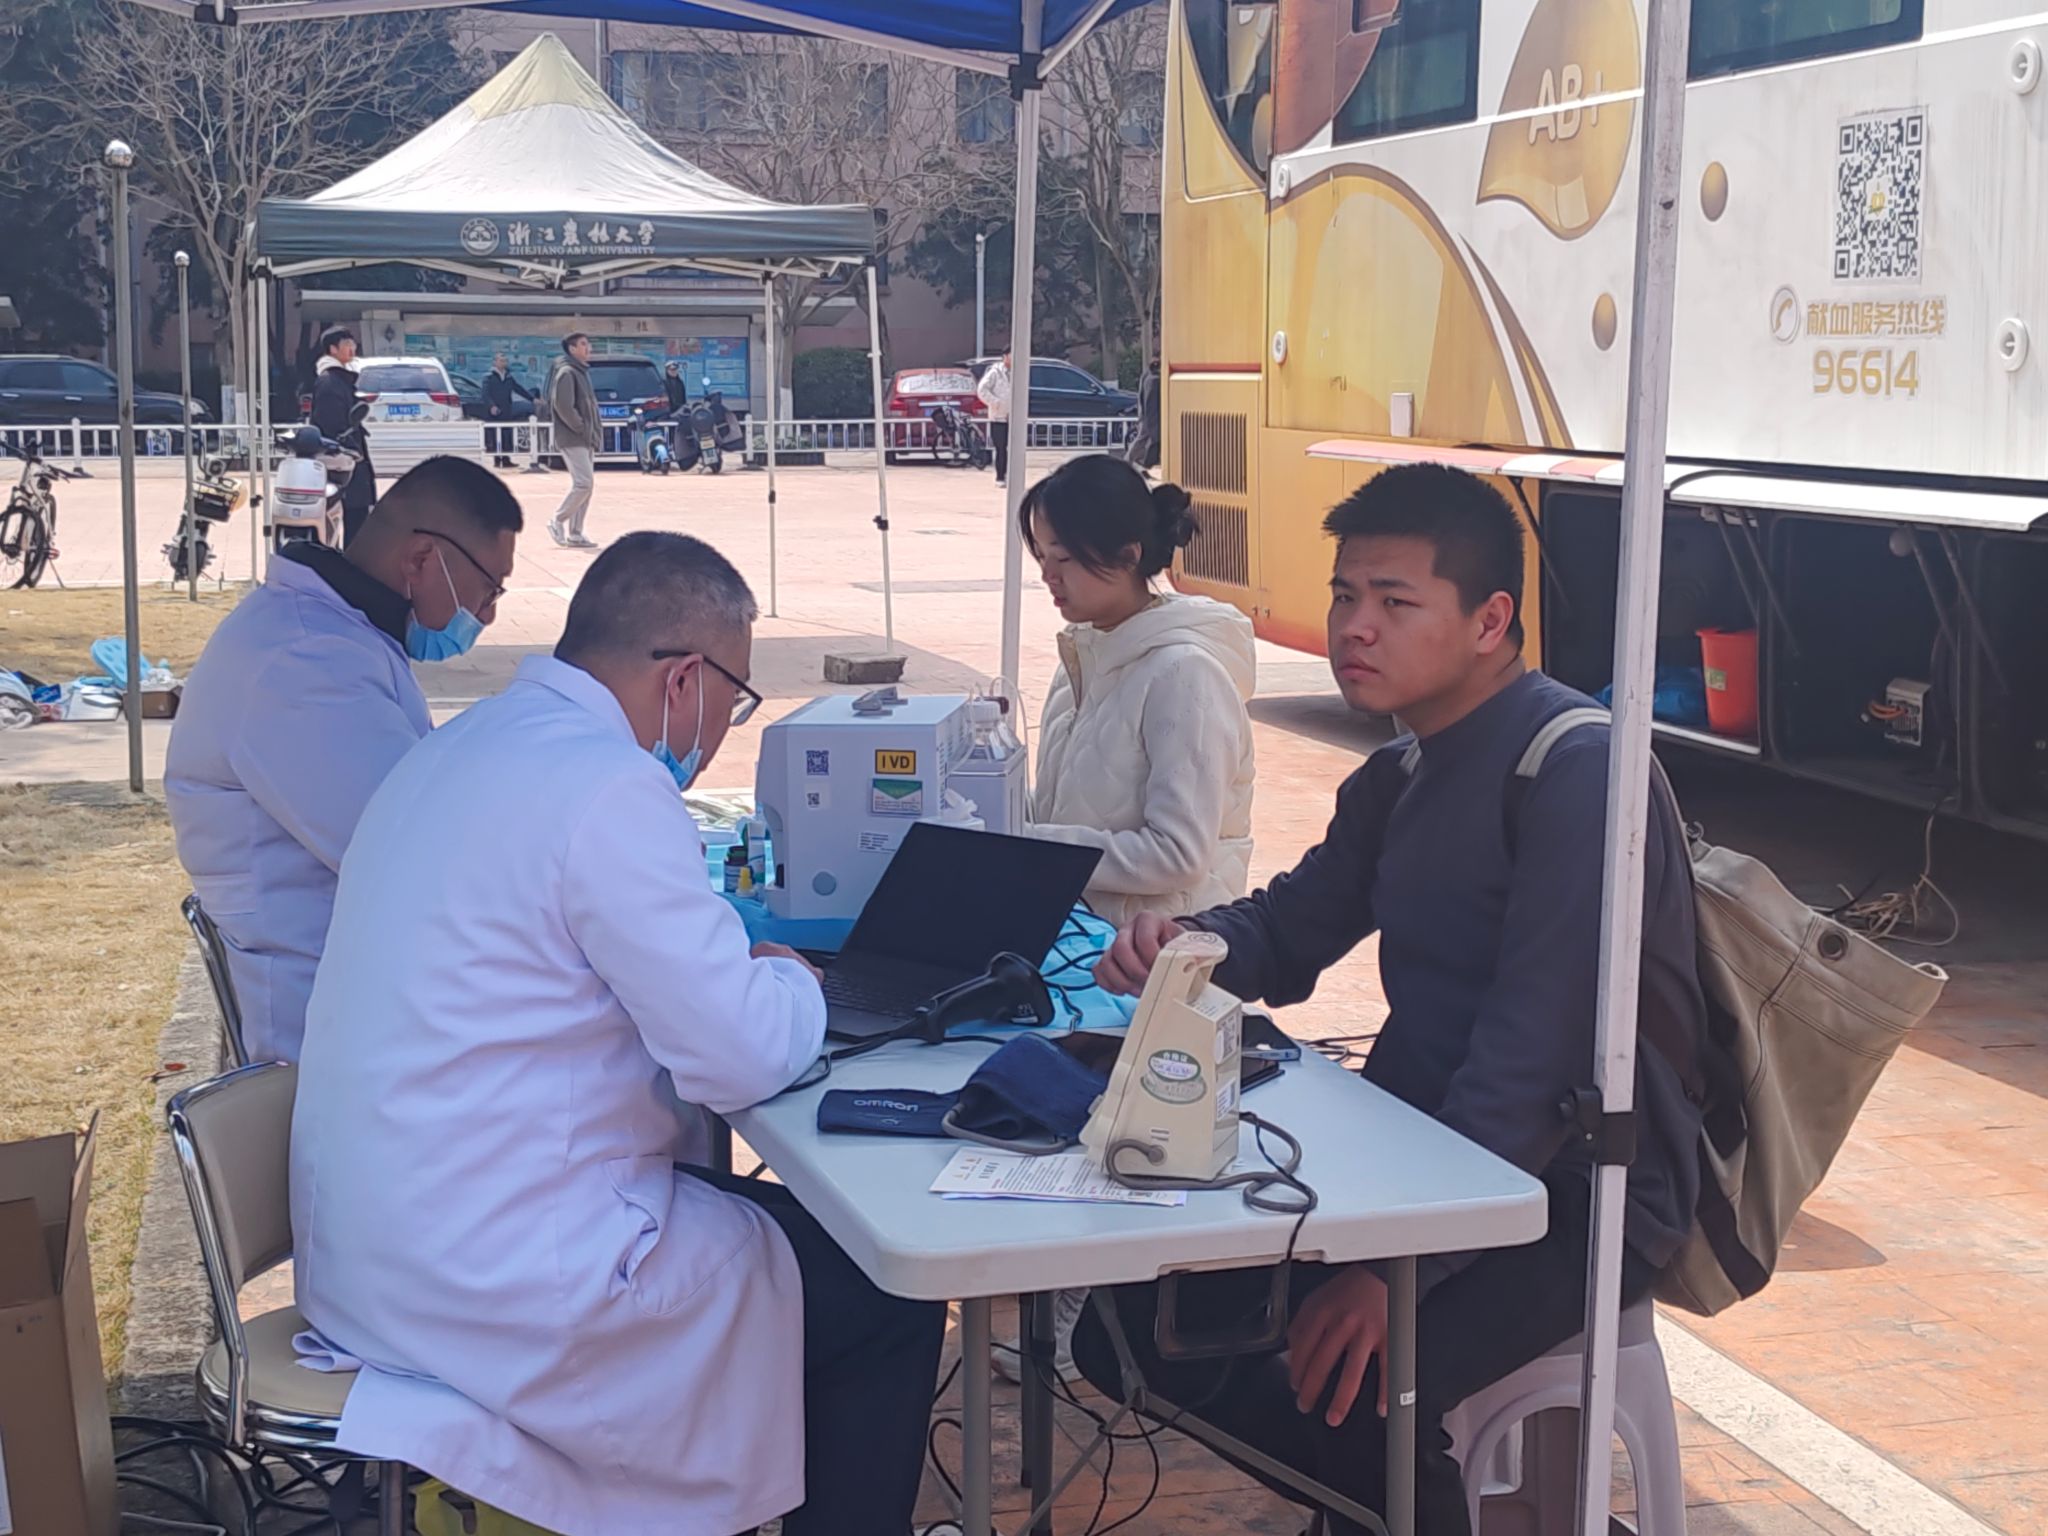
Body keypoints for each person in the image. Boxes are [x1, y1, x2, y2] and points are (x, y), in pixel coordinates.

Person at [1075, 464, 1706, 1536]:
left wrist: (1393, 1271)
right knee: (1126, 1325)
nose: (1353, 628)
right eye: (1344, 595)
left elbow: (1531, 1061)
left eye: (1394, 601)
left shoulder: (1576, 773)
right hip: (1418, 1157)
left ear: (1489, 621)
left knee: (1355, 1387)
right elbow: (1293, 923)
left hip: (1575, 1190)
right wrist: (1189, 945)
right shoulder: (1404, 771)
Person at [290, 532, 946, 1536]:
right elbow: (736, 1055)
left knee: (802, 1241)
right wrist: (792, 981)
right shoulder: (608, 786)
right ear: (685, 680)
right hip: (504, 1277)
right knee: (889, 1291)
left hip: (383, 1248)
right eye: (733, 702)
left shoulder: (461, 746)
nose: (718, 734)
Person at [1008, 452, 1258, 1381]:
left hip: (1158, 962)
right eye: (1040, 561)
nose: (1051, 580)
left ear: (1126, 554)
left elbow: (1179, 852)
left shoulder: (1186, 673)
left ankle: (1087, 1327)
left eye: (1065, 560)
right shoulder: (1081, 664)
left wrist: (1033, 848)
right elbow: (1063, 810)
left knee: (1121, 1148)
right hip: (1085, 953)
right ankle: (1067, 1311)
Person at [165, 457, 522, 1063]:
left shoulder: (336, 636)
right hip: (331, 1035)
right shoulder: (304, 662)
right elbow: (419, 857)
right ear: (421, 559)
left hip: (371, 998)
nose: (486, 614)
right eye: (489, 588)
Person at [308, 326, 376, 546]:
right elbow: (331, 423)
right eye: (346, 344)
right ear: (333, 349)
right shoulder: (329, 381)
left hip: (347, 460)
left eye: (353, 343)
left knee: (355, 517)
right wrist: (349, 448)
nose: (352, 348)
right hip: (341, 463)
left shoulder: (341, 378)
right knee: (350, 518)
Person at [547, 332, 600, 549]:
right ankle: (557, 520)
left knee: (587, 485)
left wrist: (591, 432)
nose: (589, 348)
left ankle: (576, 533)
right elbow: (563, 406)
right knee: (583, 482)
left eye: (588, 344)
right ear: (572, 349)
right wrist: (581, 427)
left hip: (585, 437)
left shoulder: (581, 372)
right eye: (584, 344)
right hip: (572, 437)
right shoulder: (567, 373)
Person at [481, 351, 534, 467]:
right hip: (494, 412)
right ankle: (497, 460)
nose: (503, 363)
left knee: (506, 434)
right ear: (495, 362)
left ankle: (506, 459)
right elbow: (485, 394)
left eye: (505, 361)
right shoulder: (488, 377)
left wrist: (532, 398)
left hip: (506, 409)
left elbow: (518, 389)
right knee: (495, 435)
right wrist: (491, 406)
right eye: (501, 360)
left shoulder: (508, 376)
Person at [977, 350, 1013, 486]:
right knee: (1001, 448)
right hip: (998, 417)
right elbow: (982, 389)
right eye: (1011, 355)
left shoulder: (1018, 372)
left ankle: (1010, 476)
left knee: (1013, 449)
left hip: (1013, 417)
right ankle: (1000, 477)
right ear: (1005, 357)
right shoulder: (995, 372)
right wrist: (995, 402)